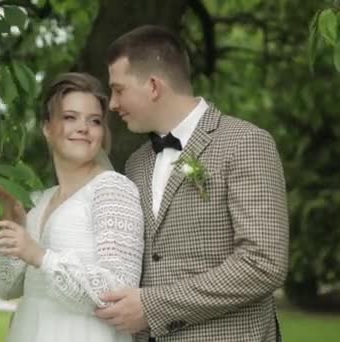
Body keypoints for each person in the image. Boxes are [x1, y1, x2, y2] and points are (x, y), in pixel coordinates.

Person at [94, 25, 289, 341]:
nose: (113, 104)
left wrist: (153, 305)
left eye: (118, 89)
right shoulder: (136, 163)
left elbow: (263, 262)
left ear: (154, 86)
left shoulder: (246, 143)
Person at [0, 72, 145, 342]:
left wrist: (40, 256)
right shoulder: (39, 200)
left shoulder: (111, 189)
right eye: (70, 117)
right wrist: (13, 225)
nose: (83, 127)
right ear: (47, 128)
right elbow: (6, 287)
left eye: (94, 121)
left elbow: (118, 292)